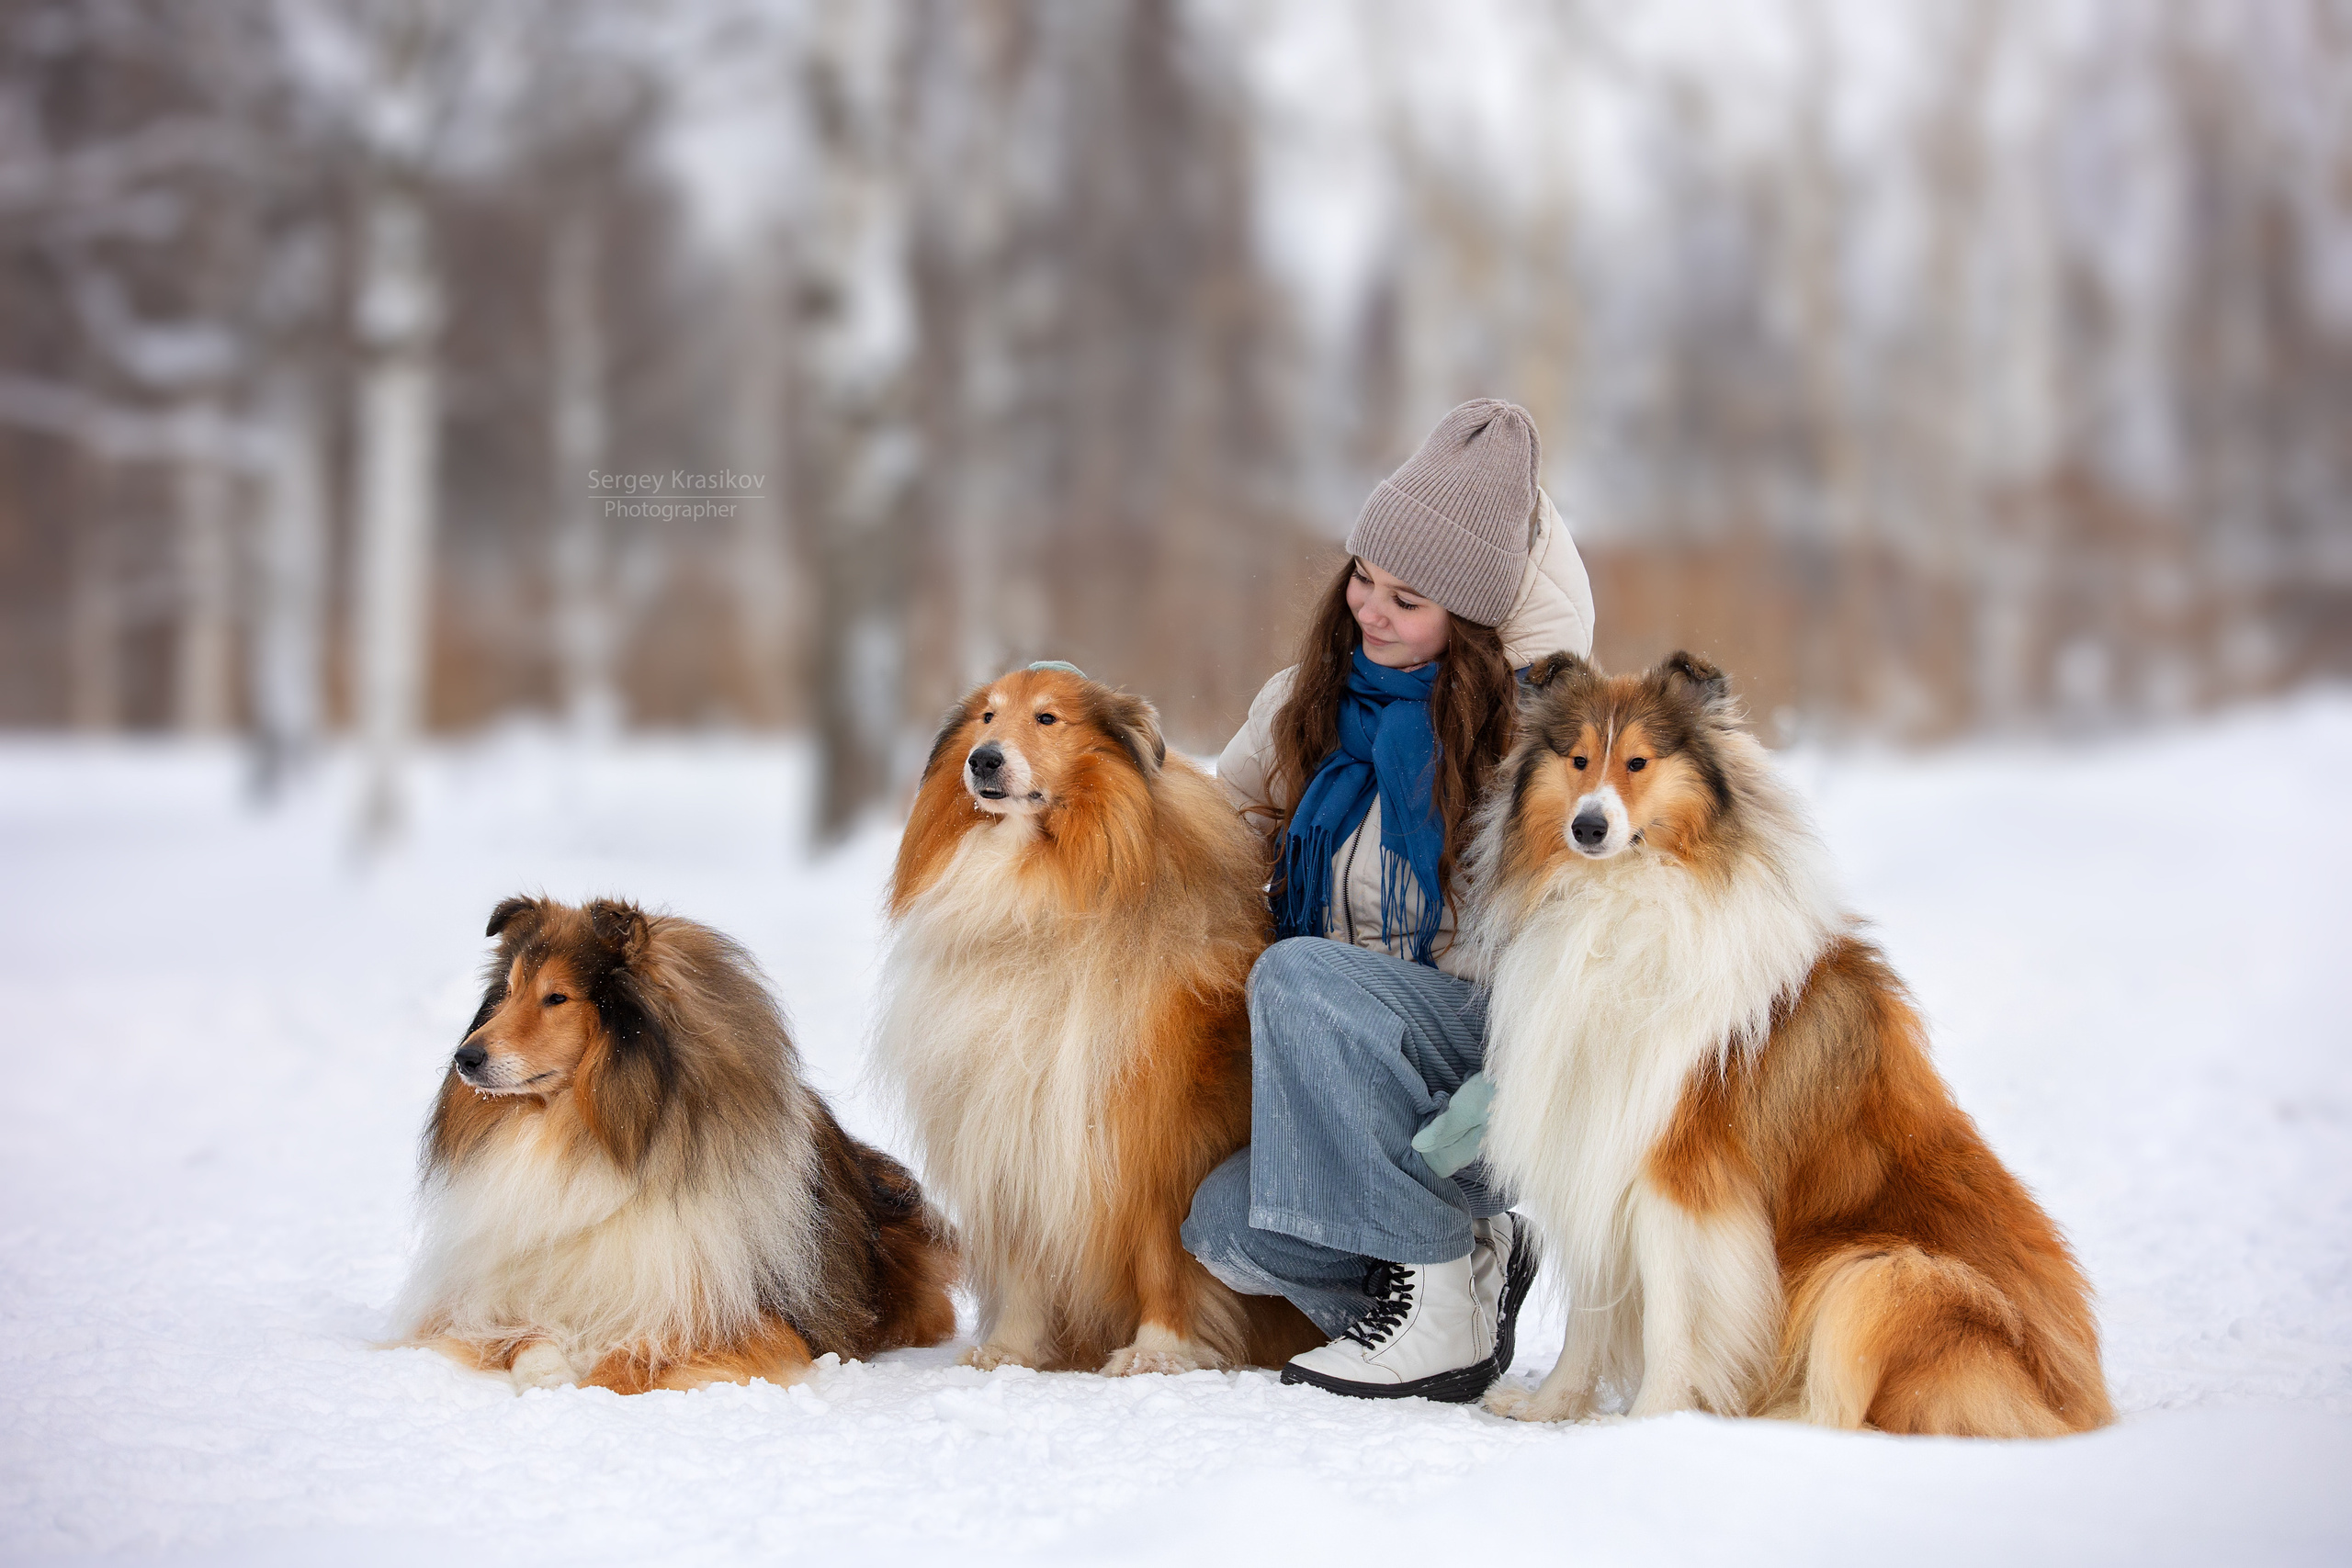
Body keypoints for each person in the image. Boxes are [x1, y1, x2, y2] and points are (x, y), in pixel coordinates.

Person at [1181, 398, 1595, 1402]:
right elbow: (1210, 834)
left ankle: (1437, 1306)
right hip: (1341, 1077)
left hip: (1475, 1074)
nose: (1371, 609)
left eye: (1408, 599)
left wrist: (1502, 1092)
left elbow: (1589, 942)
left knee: (1302, 976)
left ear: (1471, 620)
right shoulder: (1302, 701)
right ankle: (1461, 1260)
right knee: (1221, 1227)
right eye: (1364, 577)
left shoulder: (1534, 740)